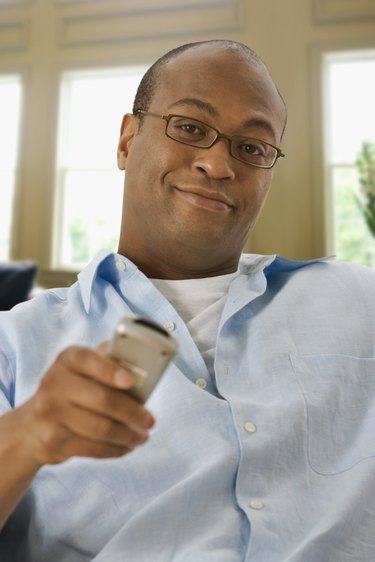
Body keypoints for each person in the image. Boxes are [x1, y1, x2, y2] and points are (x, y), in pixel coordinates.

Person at [0, 39, 374, 562]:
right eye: (191, 128)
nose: (218, 165)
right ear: (127, 142)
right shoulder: (14, 343)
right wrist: (27, 435)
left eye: (251, 148)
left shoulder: (360, 299)